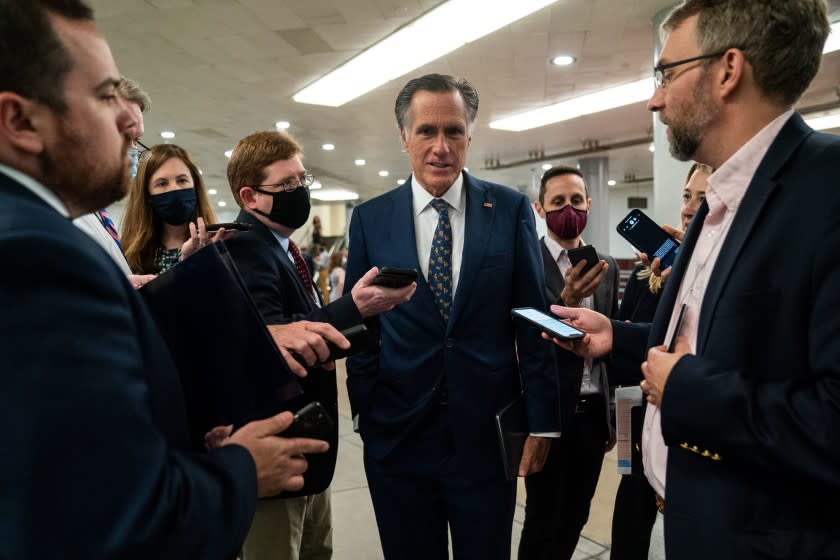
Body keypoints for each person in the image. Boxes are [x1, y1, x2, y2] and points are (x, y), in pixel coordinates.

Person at [0, 1, 328, 557]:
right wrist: (242, 469)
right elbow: (112, 513)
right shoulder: (37, 257)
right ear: (21, 122)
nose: (131, 120)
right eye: (105, 95)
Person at [550, 1, 840, 558]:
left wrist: (686, 389)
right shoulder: (718, 203)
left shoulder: (827, 191)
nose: (655, 98)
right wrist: (620, 335)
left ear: (728, 70)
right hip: (677, 518)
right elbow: (714, 340)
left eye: (667, 73)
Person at [345, 73, 561, 560]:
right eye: (426, 131)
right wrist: (364, 407)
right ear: (404, 137)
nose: (441, 147)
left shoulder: (508, 210)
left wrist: (543, 421)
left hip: (485, 437)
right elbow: (362, 324)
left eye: (454, 131)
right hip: (397, 435)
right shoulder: (370, 219)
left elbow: (533, 318)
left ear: (470, 135)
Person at [222, 129, 415, 560]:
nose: (299, 192)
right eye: (286, 185)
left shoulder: (284, 249)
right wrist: (354, 307)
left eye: (302, 181)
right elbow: (277, 341)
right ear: (250, 197)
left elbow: (304, 322)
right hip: (277, 449)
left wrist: (365, 315)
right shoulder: (247, 249)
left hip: (308, 446)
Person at [609, 162, 709, 560]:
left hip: (688, 431)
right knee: (630, 528)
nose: (689, 209)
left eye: (702, 198)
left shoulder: (712, 271)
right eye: (687, 196)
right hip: (637, 421)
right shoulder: (647, 273)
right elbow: (631, 335)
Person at [519, 165, 619, 559]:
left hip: (592, 414)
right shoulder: (525, 262)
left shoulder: (604, 266)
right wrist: (569, 301)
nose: (568, 208)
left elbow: (610, 348)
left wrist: (612, 415)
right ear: (540, 209)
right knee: (543, 519)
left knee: (576, 515)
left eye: (576, 200)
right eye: (558, 201)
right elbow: (528, 339)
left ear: (589, 205)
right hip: (550, 414)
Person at [73, 76, 154, 287]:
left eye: (137, 140)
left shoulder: (95, 212)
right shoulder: (55, 212)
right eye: (126, 135)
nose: (133, 151)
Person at [121, 143, 225, 274]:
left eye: (182, 180)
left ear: (195, 185)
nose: (175, 188)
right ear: (146, 195)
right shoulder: (129, 255)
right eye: (162, 183)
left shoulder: (217, 244)